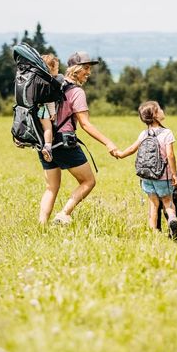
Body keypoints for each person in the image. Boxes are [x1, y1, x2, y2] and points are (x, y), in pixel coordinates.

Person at [38, 51, 119, 225]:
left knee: (51, 187)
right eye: (86, 68)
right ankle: (63, 214)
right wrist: (108, 142)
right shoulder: (76, 92)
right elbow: (86, 124)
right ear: (76, 69)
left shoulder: (53, 85)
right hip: (64, 142)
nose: (89, 73)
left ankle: (41, 225)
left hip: (46, 142)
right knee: (88, 181)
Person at [114, 101, 177, 239]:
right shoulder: (167, 133)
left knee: (153, 204)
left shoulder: (144, 134)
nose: (162, 110)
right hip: (163, 176)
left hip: (146, 175)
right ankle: (172, 220)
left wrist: (120, 154)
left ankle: (153, 233)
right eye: (160, 109)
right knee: (168, 202)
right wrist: (174, 173)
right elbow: (170, 155)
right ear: (155, 115)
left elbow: (132, 149)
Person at [38, 54, 61, 162]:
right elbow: (50, 100)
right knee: (48, 128)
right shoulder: (49, 82)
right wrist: (53, 113)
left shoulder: (37, 79)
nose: (58, 70)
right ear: (50, 69)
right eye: (56, 68)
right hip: (42, 109)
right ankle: (47, 146)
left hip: (33, 109)